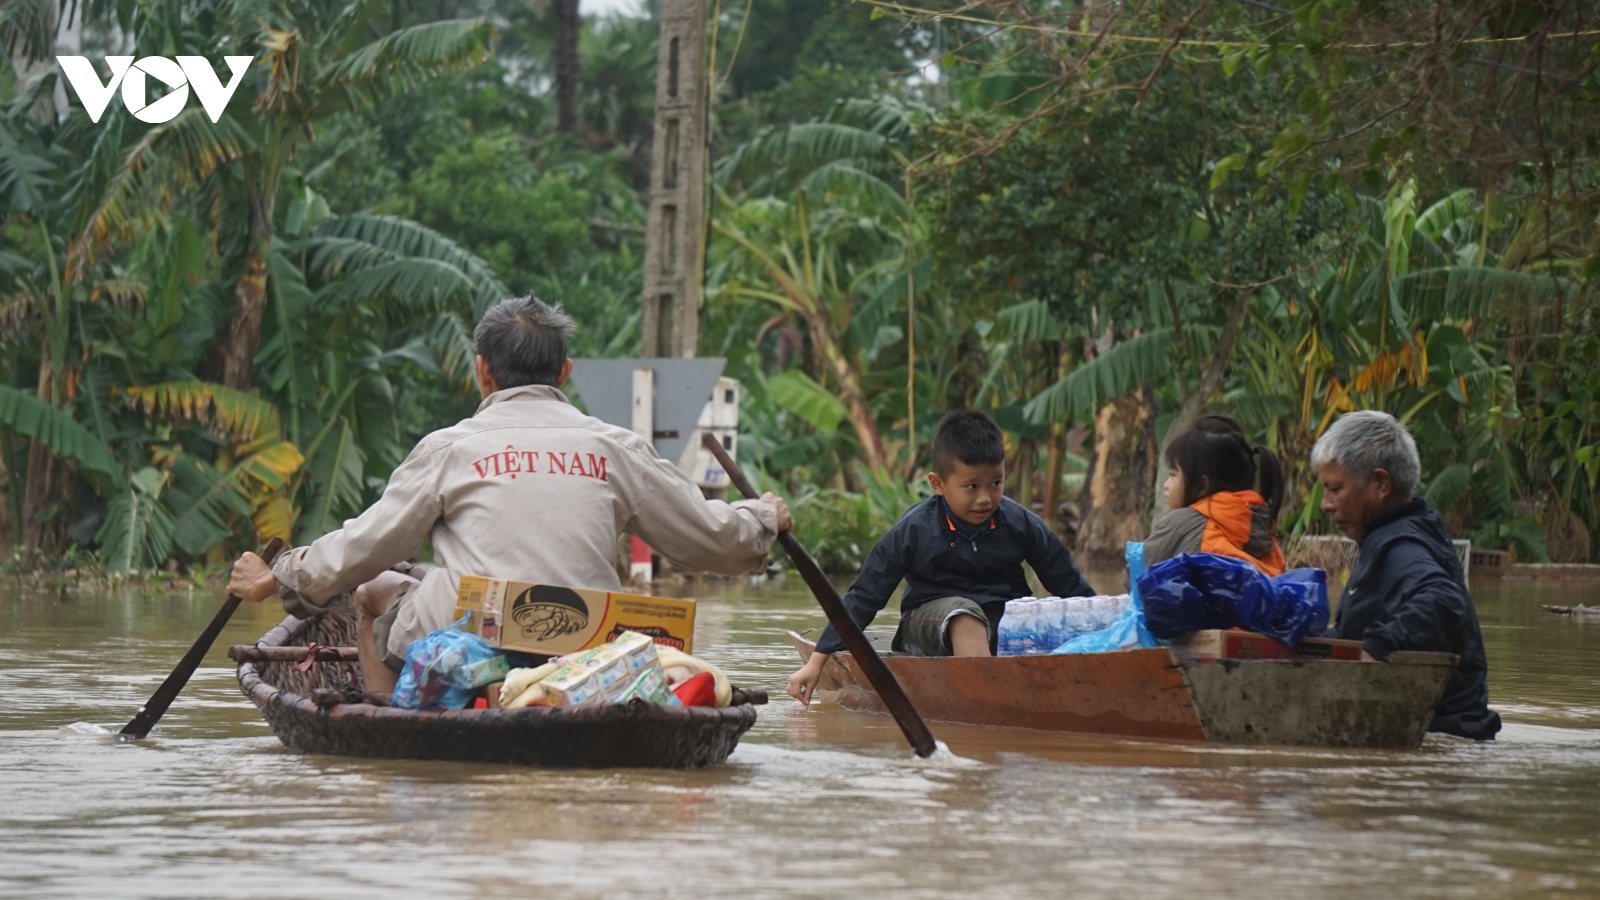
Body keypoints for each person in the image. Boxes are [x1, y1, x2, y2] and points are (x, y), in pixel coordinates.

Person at [227, 295, 791, 693]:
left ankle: (388, 718)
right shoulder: (616, 446)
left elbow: (364, 546)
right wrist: (762, 517)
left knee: (373, 589)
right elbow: (714, 538)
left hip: (473, 627)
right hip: (591, 637)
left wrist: (278, 575)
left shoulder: (450, 447)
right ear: (563, 372)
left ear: (483, 372)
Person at [785, 410, 1095, 705]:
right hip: (930, 625)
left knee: (1045, 614)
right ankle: (989, 702)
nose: (985, 498)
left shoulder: (1019, 523)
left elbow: (1069, 584)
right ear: (938, 484)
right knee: (965, 617)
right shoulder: (914, 529)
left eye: (996, 483)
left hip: (1000, 622)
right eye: (971, 486)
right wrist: (817, 661)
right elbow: (865, 595)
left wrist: (1110, 632)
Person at [1312, 409, 1501, 740]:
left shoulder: (1401, 545)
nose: (1326, 504)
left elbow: (1442, 600)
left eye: (1334, 489)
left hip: (1441, 737)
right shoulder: (1394, 536)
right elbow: (1352, 636)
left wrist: (1376, 648)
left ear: (1380, 483)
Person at [1144, 415, 1286, 574]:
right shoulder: (1264, 529)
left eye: (1172, 475)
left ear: (1201, 486)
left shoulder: (1182, 523)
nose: (1166, 485)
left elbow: (1134, 574)